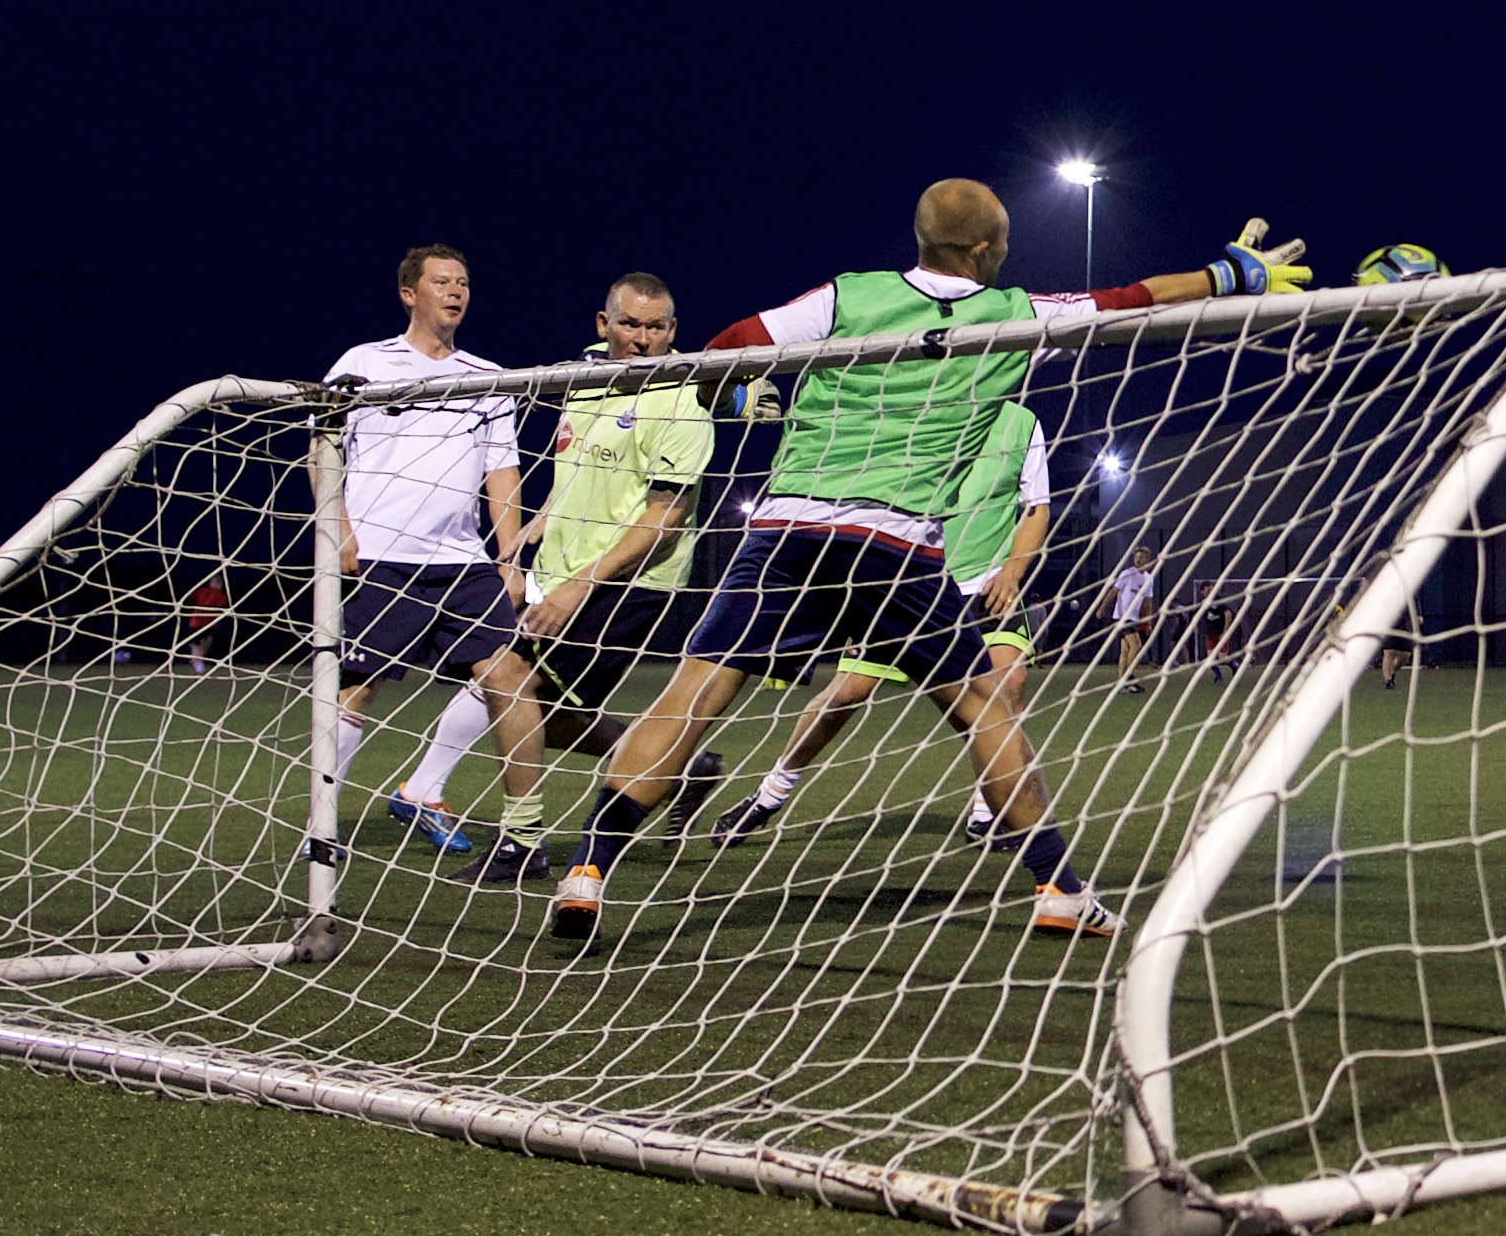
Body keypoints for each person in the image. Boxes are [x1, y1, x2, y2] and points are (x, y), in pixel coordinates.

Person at [546, 184, 1308, 945]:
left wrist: (743, 397)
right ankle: (1057, 889)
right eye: (1002, 241)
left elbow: (727, 347)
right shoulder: (1014, 312)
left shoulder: (846, 296)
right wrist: (1229, 275)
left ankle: (588, 869)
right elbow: (1130, 299)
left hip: (788, 529)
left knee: (692, 696)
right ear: (984, 248)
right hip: (894, 544)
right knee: (984, 707)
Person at [448, 274, 716, 886]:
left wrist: (580, 586)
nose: (642, 339)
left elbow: (665, 519)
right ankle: (684, 765)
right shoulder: (588, 376)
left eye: (656, 328)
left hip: (628, 581)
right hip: (561, 570)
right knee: (557, 716)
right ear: (604, 325)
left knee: (503, 672)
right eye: (630, 324)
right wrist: (535, 528)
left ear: (673, 332)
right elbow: (581, 471)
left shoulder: (681, 403)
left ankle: (522, 843)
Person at [702, 397, 1053, 850]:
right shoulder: (924, 405)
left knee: (1007, 684)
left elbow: (1035, 508)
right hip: (910, 583)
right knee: (842, 697)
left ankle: (988, 813)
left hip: (985, 585)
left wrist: (1012, 571)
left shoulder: (1023, 422)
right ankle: (770, 793)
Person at [317, 245, 546, 861]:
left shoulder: (488, 376)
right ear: (409, 294)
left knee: (506, 672)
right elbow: (324, 446)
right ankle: (321, 826)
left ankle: (507, 826)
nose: (455, 290)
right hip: (384, 555)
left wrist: (510, 558)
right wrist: (337, 527)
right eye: (441, 281)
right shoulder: (364, 363)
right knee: (357, 689)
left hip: (463, 559)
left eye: (463, 282)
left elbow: (502, 473)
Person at [1109, 549, 1159, 693]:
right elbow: (1114, 591)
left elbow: (1148, 602)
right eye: (1136, 557)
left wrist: (1148, 622)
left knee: (1125, 651)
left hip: (1133, 618)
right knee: (1136, 645)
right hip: (1122, 617)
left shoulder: (1148, 579)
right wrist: (1102, 607)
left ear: (1147, 560)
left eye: (1141, 557)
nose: (1137, 560)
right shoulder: (1127, 573)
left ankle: (1120, 684)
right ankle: (1129, 678)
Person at [181, 574, 228, 672]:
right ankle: (198, 666)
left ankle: (197, 662)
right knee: (197, 645)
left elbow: (190, 599)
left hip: (201, 623)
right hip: (201, 623)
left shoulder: (206, 592)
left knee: (201, 645)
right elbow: (220, 609)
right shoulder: (214, 594)